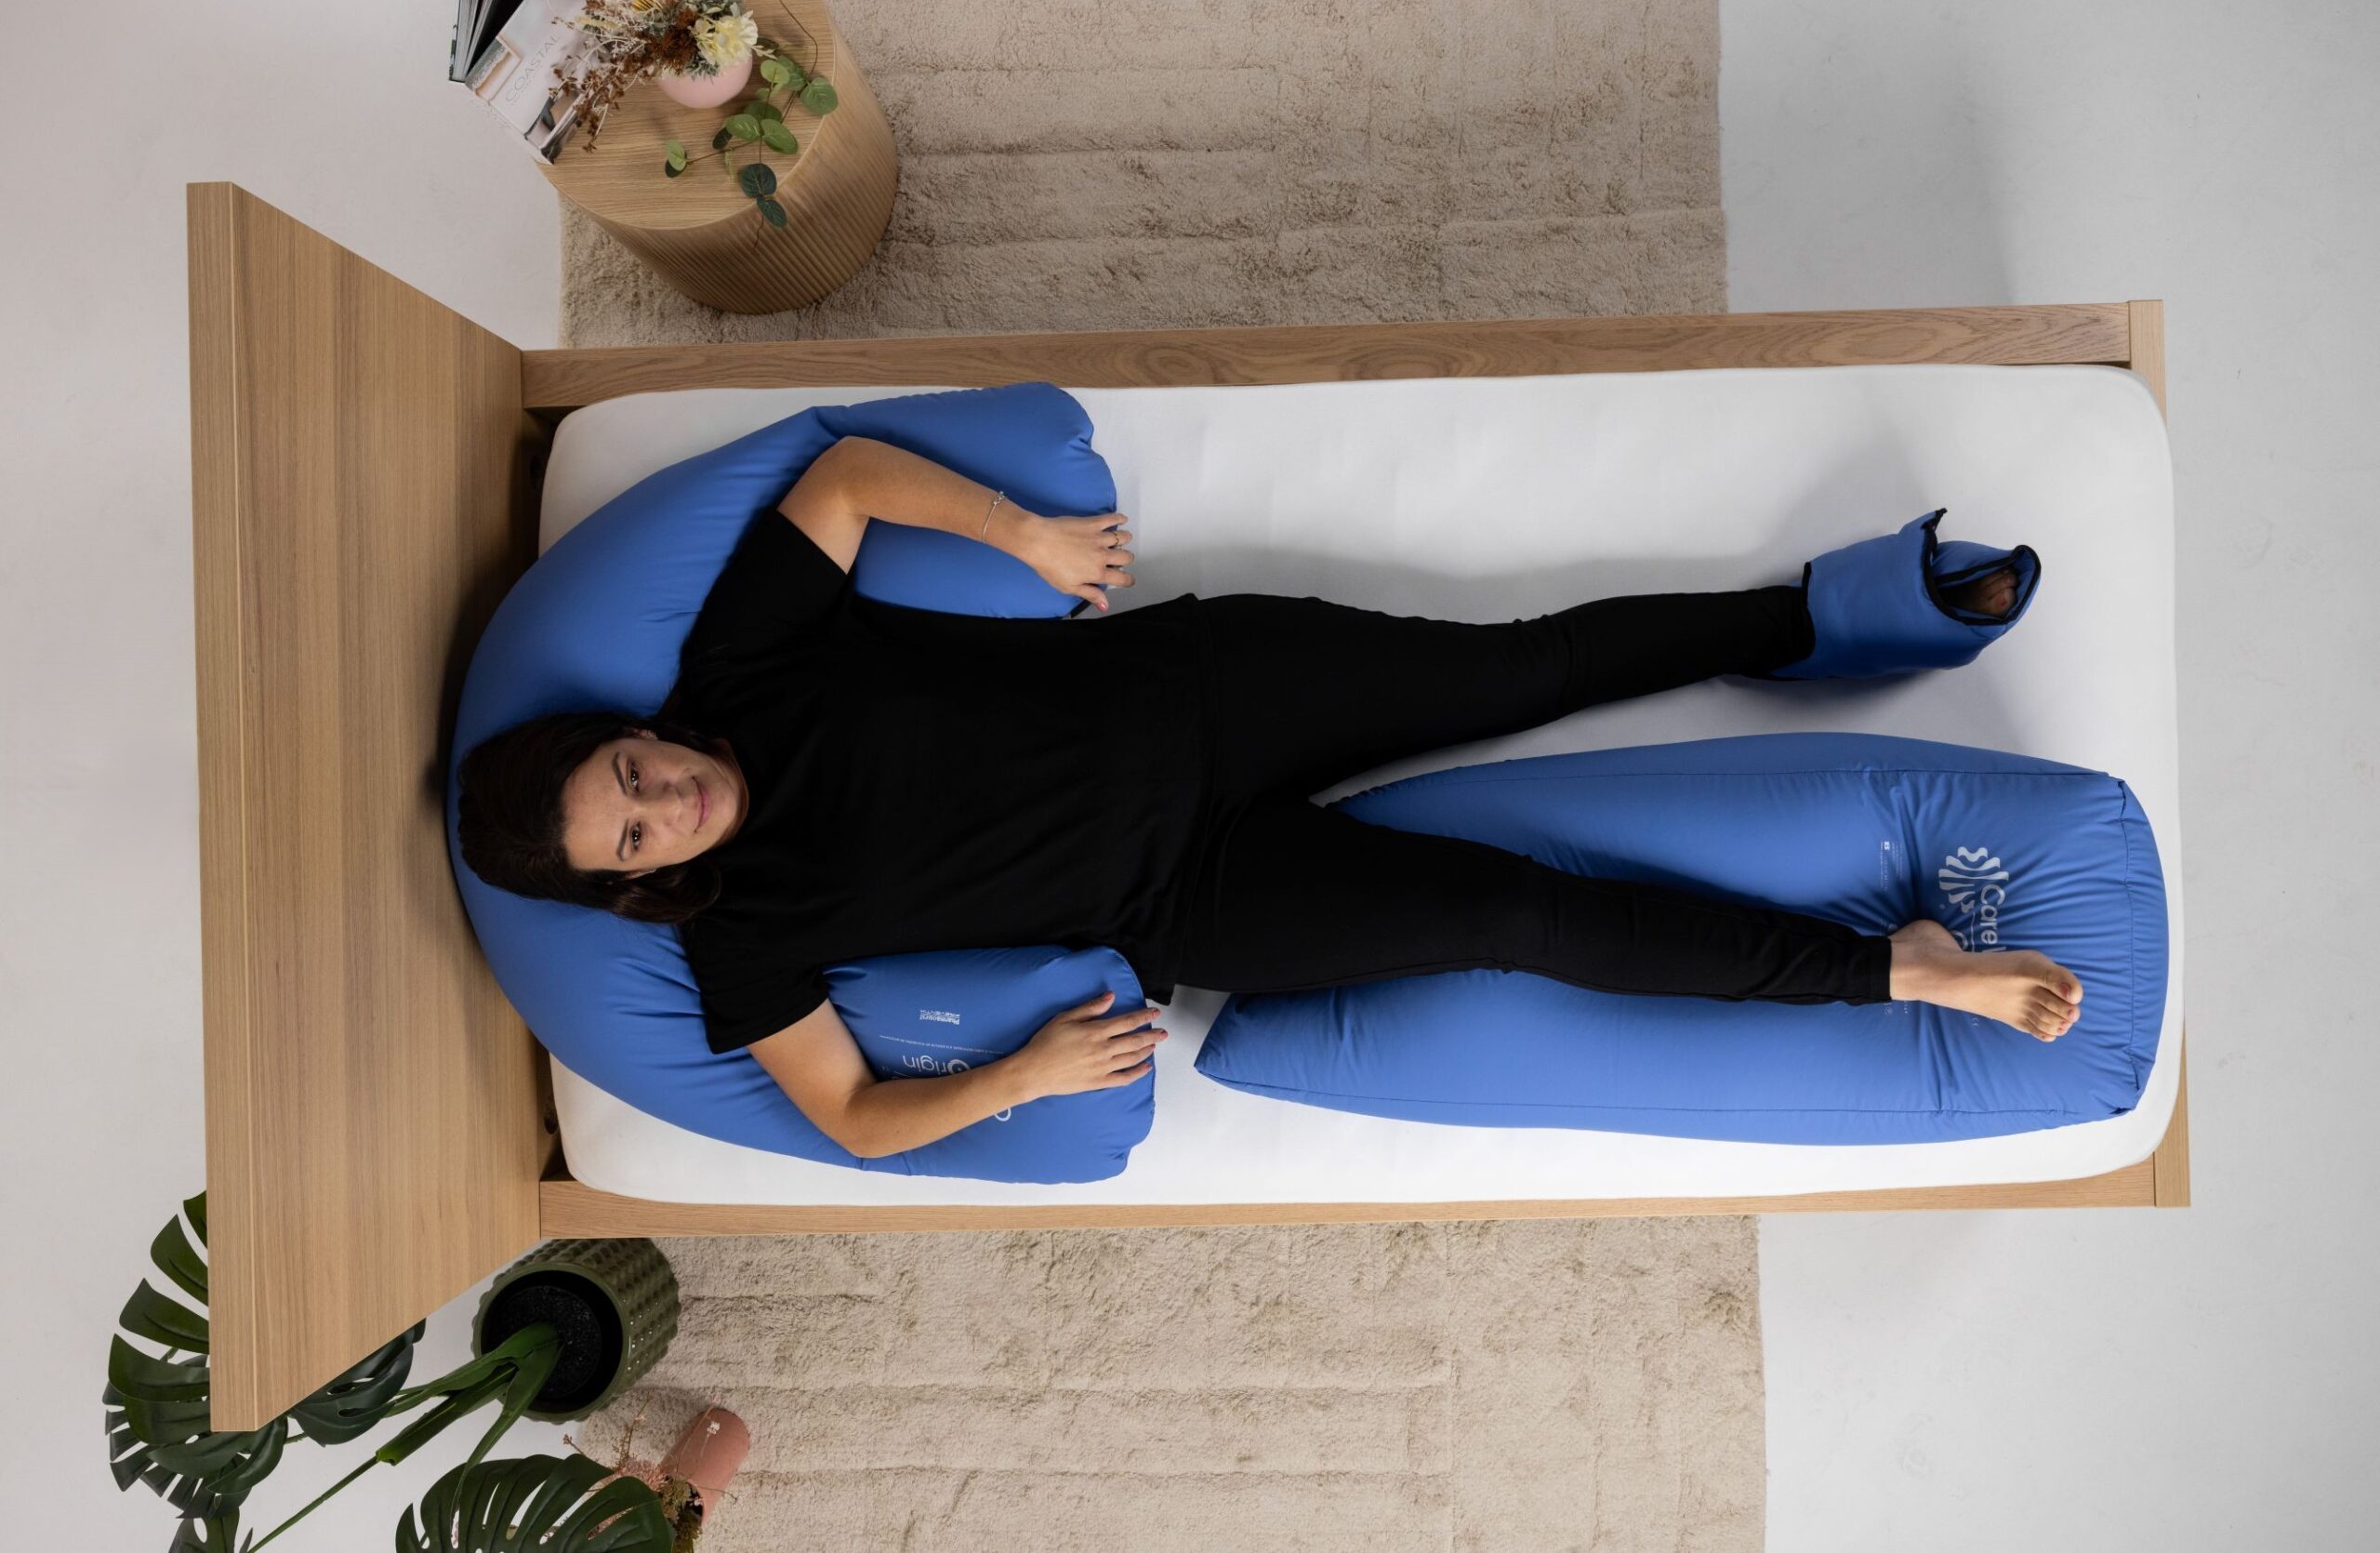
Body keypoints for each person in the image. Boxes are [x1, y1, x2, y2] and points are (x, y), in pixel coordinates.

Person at [457, 435, 2082, 1161]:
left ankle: (1820, 618)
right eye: (635, 836)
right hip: (1190, 901)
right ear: (630, 886)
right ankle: (1896, 967)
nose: (660, 798)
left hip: (1202, 686)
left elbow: (848, 479)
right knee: (1509, 918)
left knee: (1529, 666)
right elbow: (860, 1124)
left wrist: (1024, 537)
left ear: (621, 732)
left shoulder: (734, 669)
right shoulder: (743, 946)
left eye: (624, 775)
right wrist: (1025, 1076)